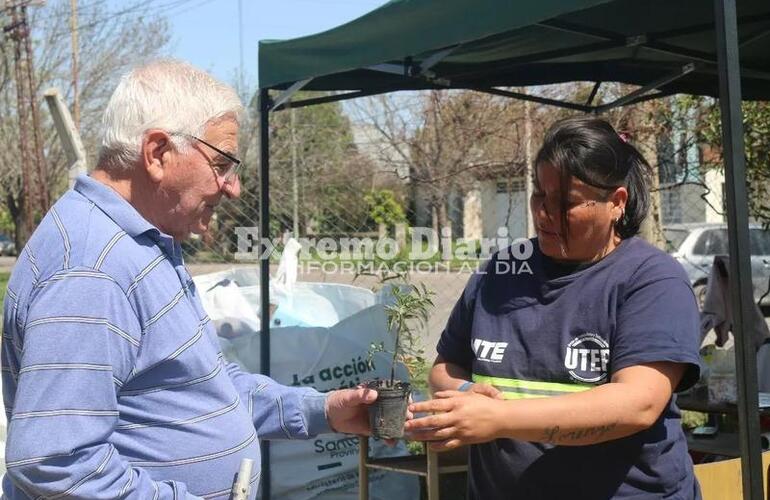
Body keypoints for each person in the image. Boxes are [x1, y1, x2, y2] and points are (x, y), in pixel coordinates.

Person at [1, 59, 379, 499]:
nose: (233, 187)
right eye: (221, 164)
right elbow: (56, 462)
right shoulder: (91, 266)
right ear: (158, 153)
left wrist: (321, 410)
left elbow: (205, 384)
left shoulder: (144, 243)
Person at [406, 116, 702, 499]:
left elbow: (638, 403)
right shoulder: (500, 271)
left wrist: (499, 419)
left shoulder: (651, 279)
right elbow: (446, 367)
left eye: (567, 203)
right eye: (539, 195)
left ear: (616, 203)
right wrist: (466, 392)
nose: (544, 212)